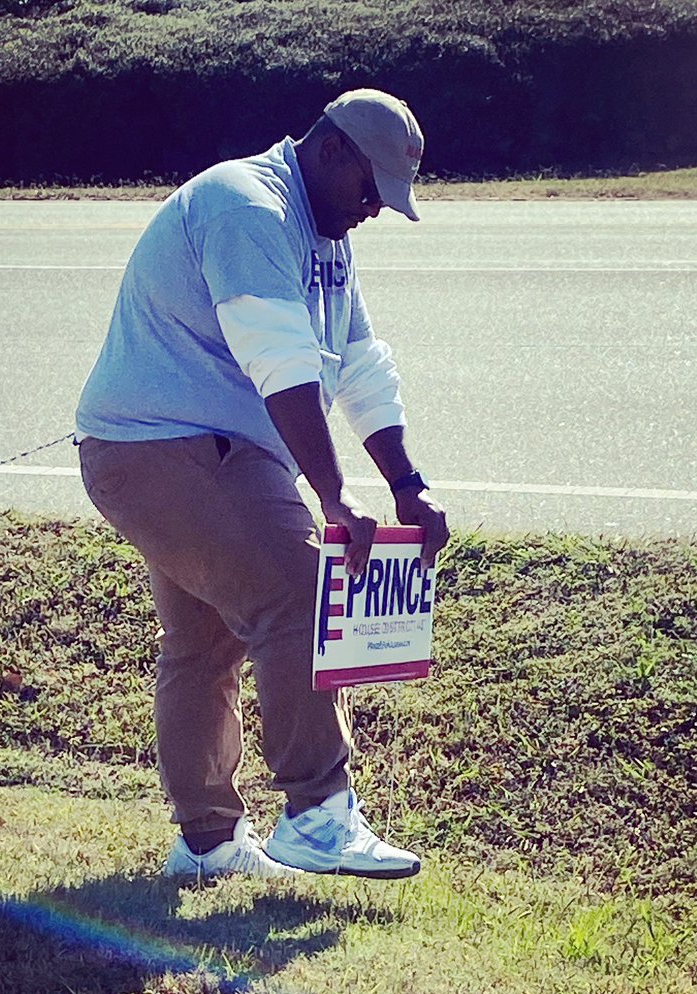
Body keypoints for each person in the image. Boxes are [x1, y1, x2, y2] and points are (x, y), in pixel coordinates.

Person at [76, 88, 449, 881]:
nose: (376, 210)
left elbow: (357, 362)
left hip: (190, 448)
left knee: (205, 641)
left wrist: (406, 483)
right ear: (333, 150)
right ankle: (317, 814)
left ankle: (206, 845)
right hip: (162, 446)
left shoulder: (324, 230)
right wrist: (335, 495)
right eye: (371, 189)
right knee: (299, 587)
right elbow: (282, 363)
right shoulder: (246, 207)